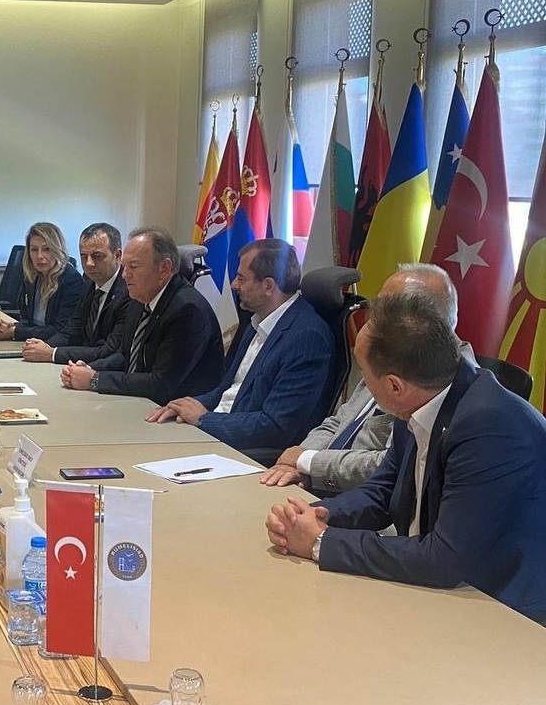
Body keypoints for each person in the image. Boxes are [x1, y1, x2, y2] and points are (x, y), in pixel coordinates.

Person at [265, 292, 546, 625]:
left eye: (364, 373)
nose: (363, 384)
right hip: (438, 590)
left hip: (505, 613)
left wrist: (321, 542)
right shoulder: (422, 398)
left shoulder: (489, 427)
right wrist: (316, 516)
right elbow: (383, 491)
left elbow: (443, 561)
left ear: (394, 386)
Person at [260, 263, 463, 493]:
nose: (373, 315)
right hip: (319, 483)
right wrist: (296, 462)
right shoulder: (387, 350)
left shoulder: (437, 378)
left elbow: (389, 466)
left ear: (418, 320)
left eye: (386, 307)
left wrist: (309, 462)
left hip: (357, 496)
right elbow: (339, 420)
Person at [147, 239, 334, 450]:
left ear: (268, 286)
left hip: (246, 450)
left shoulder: (306, 337)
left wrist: (203, 419)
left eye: (241, 278)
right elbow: (228, 390)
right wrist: (185, 406)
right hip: (220, 430)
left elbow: (275, 427)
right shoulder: (258, 320)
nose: (234, 284)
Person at [59, 226, 223, 404]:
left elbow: (160, 384)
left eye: (133, 266)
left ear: (164, 268)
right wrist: (89, 369)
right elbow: (124, 355)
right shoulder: (139, 297)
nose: (124, 275)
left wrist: (95, 379)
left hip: (176, 411)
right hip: (140, 401)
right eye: (124, 266)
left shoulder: (187, 310)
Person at [20, 222, 137, 365]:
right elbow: (71, 331)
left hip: (103, 369)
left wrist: (52, 354)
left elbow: (109, 350)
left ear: (117, 256)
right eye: (84, 256)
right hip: (81, 365)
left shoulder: (129, 291)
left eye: (97, 256)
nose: (89, 263)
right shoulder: (89, 283)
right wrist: (44, 347)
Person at [0, 221, 84, 342]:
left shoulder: (71, 280)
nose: (39, 256)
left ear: (57, 250)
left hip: (54, 347)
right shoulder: (32, 277)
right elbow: (30, 321)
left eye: (46, 249)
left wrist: (15, 332)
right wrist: (12, 327)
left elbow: (61, 330)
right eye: (34, 250)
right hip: (33, 343)